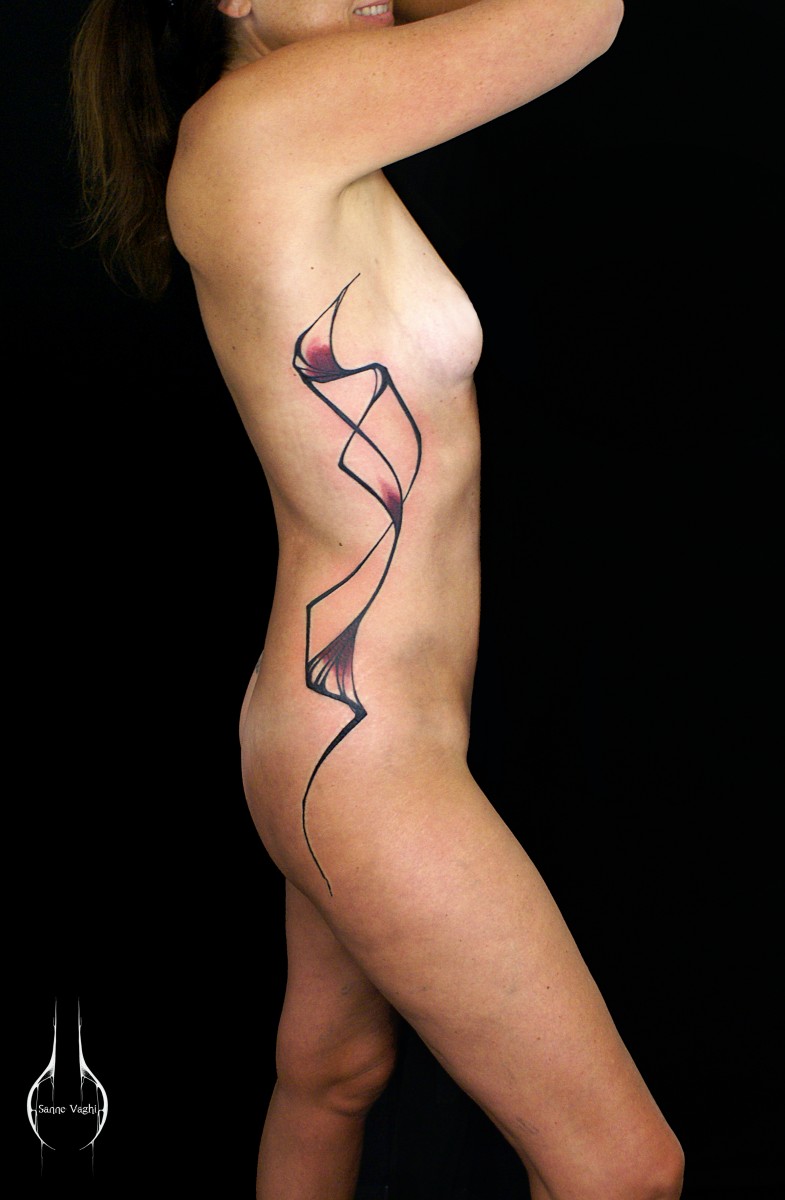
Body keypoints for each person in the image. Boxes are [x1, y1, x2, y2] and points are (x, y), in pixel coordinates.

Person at [70, 2, 685, 1197]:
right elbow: (583, 16)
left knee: (333, 1075)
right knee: (623, 1172)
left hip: (337, 732)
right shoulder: (265, 120)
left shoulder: (303, 136)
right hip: (362, 759)